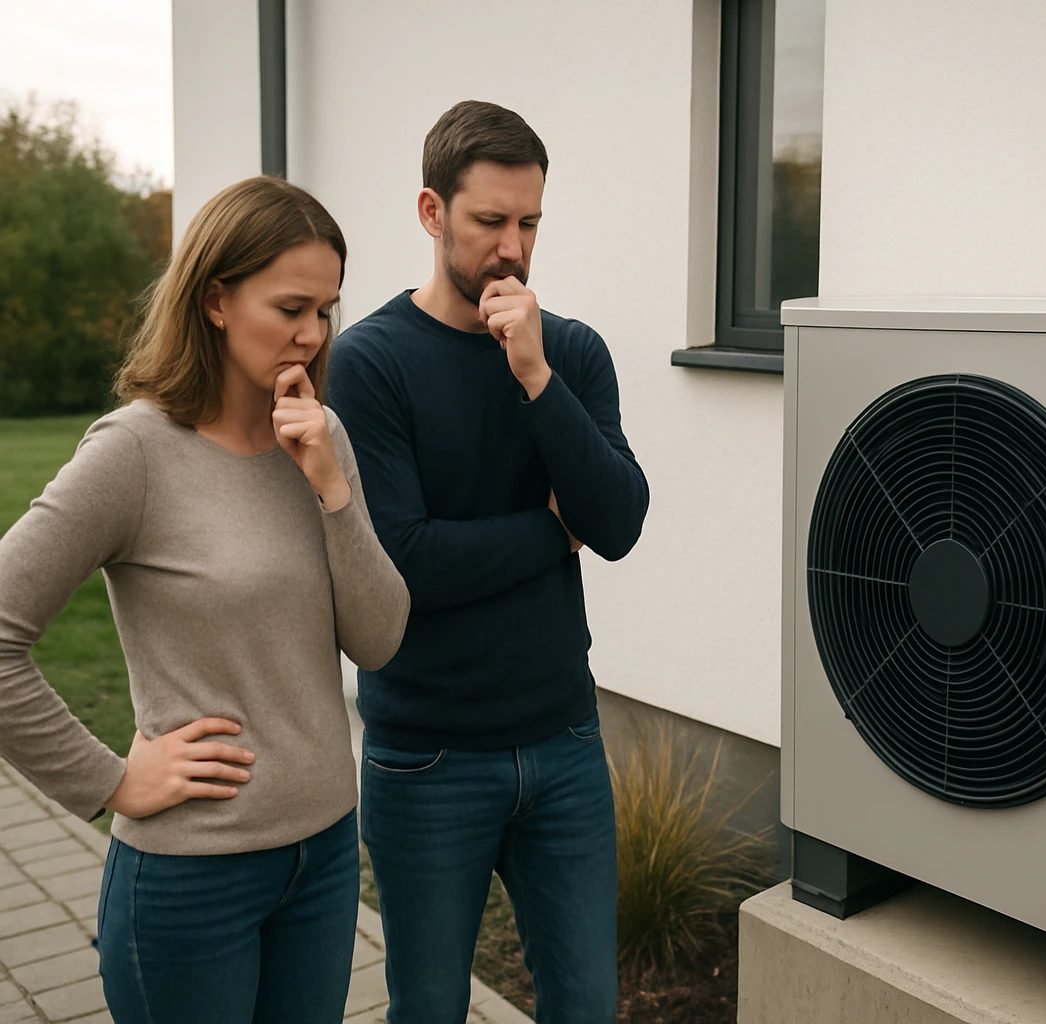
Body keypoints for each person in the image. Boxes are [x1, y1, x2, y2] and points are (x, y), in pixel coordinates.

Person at [0, 176, 410, 1024]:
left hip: (327, 856)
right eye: (291, 306)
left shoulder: (318, 435)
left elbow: (379, 640)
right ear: (216, 299)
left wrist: (333, 490)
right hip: (194, 878)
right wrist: (110, 780)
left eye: (327, 308)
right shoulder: (135, 453)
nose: (313, 334)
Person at [325, 99, 649, 1023]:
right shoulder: (372, 362)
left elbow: (620, 521)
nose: (512, 248)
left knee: (585, 1005)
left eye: (530, 222)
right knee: (428, 1008)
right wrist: (552, 530)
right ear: (433, 214)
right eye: (489, 223)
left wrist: (537, 379)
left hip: (565, 742)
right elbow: (407, 565)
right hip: (426, 757)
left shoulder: (571, 355)